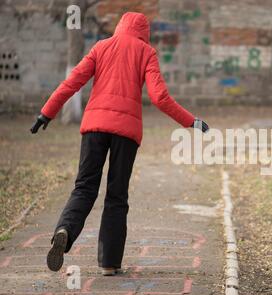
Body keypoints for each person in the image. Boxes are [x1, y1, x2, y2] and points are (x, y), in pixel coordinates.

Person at [30, 12, 209, 276]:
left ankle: (65, 229)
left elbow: (72, 83)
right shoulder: (146, 52)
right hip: (126, 133)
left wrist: (46, 113)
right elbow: (160, 97)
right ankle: (109, 263)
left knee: (84, 187)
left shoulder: (100, 47)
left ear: (119, 26)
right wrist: (191, 122)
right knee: (116, 194)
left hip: (93, 127)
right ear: (144, 32)